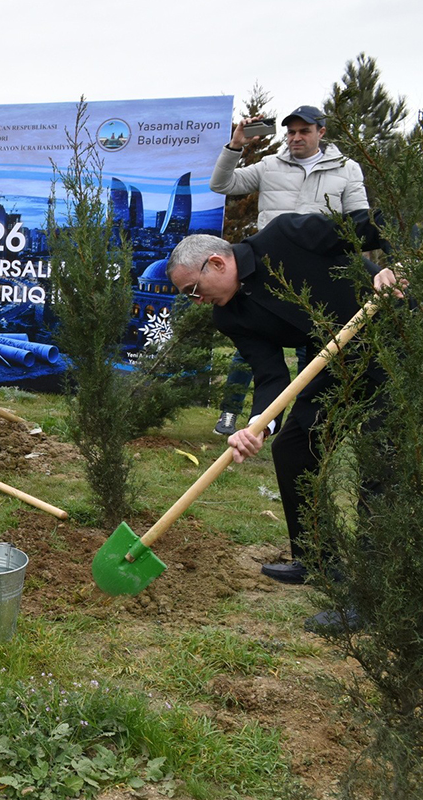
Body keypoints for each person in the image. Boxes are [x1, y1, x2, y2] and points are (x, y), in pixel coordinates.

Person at [166, 212, 400, 631]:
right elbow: (271, 376)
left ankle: (372, 596)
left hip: (397, 339)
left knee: (380, 463)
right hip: (340, 361)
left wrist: (395, 267)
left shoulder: (287, 236)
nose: (196, 302)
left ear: (217, 263)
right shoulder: (229, 315)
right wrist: (258, 425)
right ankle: (316, 559)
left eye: (193, 291)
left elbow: (380, 223)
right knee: (293, 446)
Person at [207, 105, 369, 436]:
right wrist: (235, 144)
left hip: (317, 280)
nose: (295, 138)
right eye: (291, 132)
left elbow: (360, 222)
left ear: (320, 133)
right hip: (266, 276)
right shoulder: (270, 166)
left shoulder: (346, 169)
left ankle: (309, 426)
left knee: (315, 355)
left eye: (303, 131)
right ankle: (232, 414)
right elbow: (222, 184)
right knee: (252, 353)